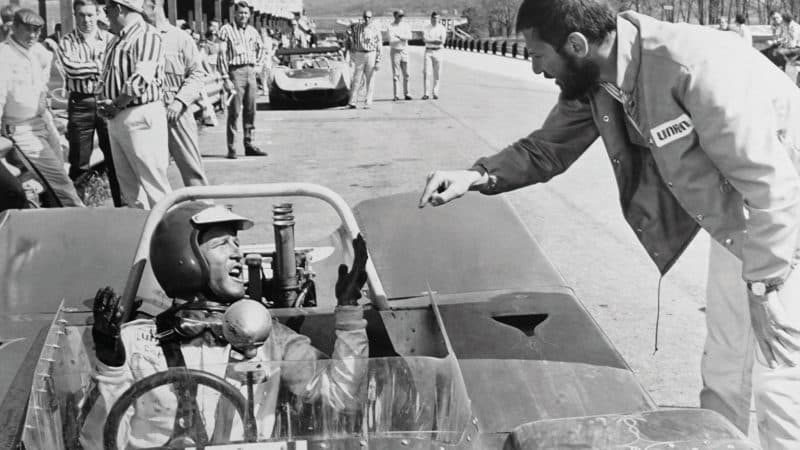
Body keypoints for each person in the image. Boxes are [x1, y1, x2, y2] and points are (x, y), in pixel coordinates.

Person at [418, 0, 800, 447]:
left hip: (783, 212)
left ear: (577, 44)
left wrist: (764, 285)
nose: (538, 69)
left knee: (781, 369)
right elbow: (547, 149)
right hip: (745, 216)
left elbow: (772, 185)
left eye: (539, 56)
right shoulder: (601, 76)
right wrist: (477, 175)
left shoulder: (692, 67)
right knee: (725, 363)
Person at [79, 202, 369, 448]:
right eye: (221, 244)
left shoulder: (269, 337)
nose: (237, 253)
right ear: (185, 257)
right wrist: (110, 368)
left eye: (236, 244)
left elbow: (339, 397)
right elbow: (98, 443)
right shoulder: (134, 343)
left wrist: (349, 313)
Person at [0, 9, 84, 207]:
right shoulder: (4, 55)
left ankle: (50, 214)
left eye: (36, 31)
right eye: (27, 30)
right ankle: (79, 218)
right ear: (14, 28)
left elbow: (49, 63)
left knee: (58, 170)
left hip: (43, 120)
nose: (32, 36)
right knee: (59, 180)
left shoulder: (37, 50)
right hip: (20, 127)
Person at [99, 0, 172, 209]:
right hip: (117, 116)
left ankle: (164, 235)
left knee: (154, 185)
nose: (106, 14)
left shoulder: (146, 35)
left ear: (119, 8)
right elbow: (106, 77)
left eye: (107, 9)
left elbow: (141, 79)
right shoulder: (116, 40)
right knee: (129, 190)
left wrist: (115, 104)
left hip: (140, 114)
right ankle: (141, 235)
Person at [59, 0, 122, 207]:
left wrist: (91, 66)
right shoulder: (67, 41)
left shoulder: (111, 39)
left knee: (114, 158)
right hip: (80, 104)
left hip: (107, 102)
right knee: (79, 162)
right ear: (75, 16)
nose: (86, 20)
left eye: (90, 15)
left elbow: (115, 69)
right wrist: (99, 66)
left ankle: (122, 206)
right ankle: (78, 210)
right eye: (81, 15)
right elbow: (71, 69)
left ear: (97, 15)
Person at [142, 0, 209, 188]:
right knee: (150, 170)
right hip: (148, 110)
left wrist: (180, 101)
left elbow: (197, 74)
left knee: (191, 167)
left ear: (154, 4)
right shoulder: (140, 37)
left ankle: (203, 209)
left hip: (176, 111)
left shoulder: (180, 38)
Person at [217, 1, 267, 159]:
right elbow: (221, 55)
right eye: (240, 13)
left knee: (251, 110)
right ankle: (231, 147)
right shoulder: (226, 30)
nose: (243, 16)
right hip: (235, 72)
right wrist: (225, 77)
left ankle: (249, 143)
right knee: (235, 111)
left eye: (246, 13)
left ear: (249, 15)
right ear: (235, 14)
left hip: (250, 71)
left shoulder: (253, 31)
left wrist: (258, 66)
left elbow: (262, 48)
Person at [346, 10, 382, 109]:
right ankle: (353, 102)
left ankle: (368, 101)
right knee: (356, 79)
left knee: (370, 79)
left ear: (372, 18)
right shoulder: (357, 27)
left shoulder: (375, 29)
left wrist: (378, 60)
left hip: (371, 53)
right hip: (360, 53)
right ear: (363, 17)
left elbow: (379, 45)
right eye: (365, 17)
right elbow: (348, 30)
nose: (367, 19)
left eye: (369, 17)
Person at [388, 9, 412, 101]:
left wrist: (399, 36)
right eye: (399, 16)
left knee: (407, 74)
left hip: (404, 51)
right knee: (396, 74)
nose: (401, 18)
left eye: (402, 16)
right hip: (395, 51)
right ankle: (396, 95)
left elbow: (410, 36)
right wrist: (403, 38)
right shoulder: (390, 26)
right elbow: (391, 40)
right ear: (395, 16)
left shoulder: (406, 25)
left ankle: (407, 93)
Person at [422, 11, 446, 100]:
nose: (435, 20)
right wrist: (435, 41)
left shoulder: (442, 28)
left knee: (437, 74)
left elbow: (442, 41)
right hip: (428, 51)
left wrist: (430, 40)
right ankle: (426, 93)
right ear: (431, 18)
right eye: (433, 18)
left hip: (438, 51)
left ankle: (435, 92)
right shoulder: (426, 28)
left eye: (436, 18)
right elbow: (424, 40)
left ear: (438, 19)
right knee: (426, 73)